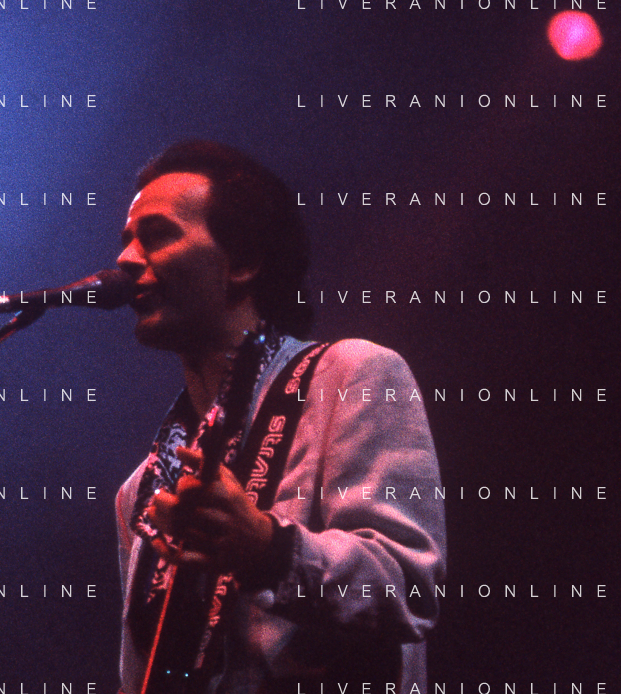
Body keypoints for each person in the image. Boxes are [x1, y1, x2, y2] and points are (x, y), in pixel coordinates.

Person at [115, 141, 446, 694]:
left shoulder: (353, 374)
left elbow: (409, 589)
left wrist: (268, 551)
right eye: (126, 239)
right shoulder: (140, 491)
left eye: (157, 234)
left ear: (243, 262)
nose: (126, 259)